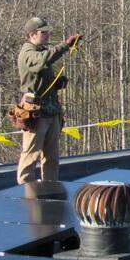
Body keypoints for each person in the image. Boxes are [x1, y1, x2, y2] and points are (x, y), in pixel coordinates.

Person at [16, 17, 80, 185]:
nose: (47, 35)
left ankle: (50, 186)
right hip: (33, 111)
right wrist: (65, 45)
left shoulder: (39, 50)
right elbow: (43, 60)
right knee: (30, 154)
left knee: (51, 155)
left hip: (50, 110)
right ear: (31, 35)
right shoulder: (27, 53)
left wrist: (56, 83)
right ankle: (24, 188)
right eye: (43, 32)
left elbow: (42, 72)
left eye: (47, 32)